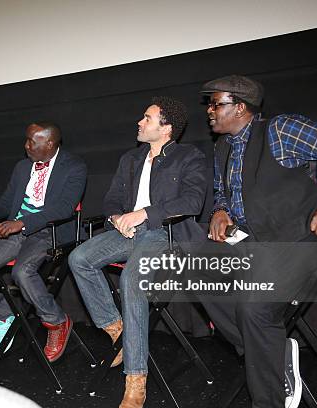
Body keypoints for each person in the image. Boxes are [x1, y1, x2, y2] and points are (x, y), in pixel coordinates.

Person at [200, 75, 317, 408]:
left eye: (217, 104)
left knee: (254, 307)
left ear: (240, 107)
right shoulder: (222, 147)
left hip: (297, 238)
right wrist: (219, 210)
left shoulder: (280, 130)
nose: (210, 111)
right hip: (250, 239)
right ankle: (272, 352)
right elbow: (221, 192)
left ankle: (269, 398)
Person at [68, 97, 207, 408]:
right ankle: (118, 331)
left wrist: (144, 213)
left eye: (147, 118)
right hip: (128, 232)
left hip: (164, 234)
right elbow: (111, 200)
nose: (140, 123)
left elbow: (192, 202)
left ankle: (135, 381)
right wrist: (117, 218)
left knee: (131, 280)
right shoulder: (130, 159)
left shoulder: (189, 157)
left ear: (166, 127)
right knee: (78, 259)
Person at [0, 122, 86, 362]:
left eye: (31, 141)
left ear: (49, 143)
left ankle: (56, 321)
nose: (26, 145)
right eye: (26, 140)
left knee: (23, 271)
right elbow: (7, 202)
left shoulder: (74, 167)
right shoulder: (22, 167)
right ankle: (4, 316)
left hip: (49, 231)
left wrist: (24, 223)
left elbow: (64, 208)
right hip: (16, 230)